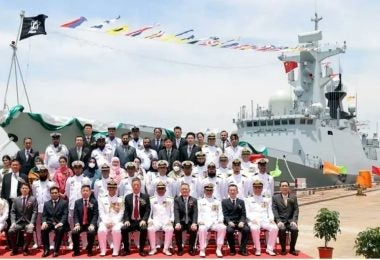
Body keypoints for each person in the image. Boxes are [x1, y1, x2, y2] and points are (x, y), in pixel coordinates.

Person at [245, 179, 278, 256]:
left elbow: (269, 210)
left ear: (262, 188)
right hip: (254, 220)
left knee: (275, 228)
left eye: (259, 188)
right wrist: (252, 219)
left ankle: (269, 249)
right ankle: (258, 249)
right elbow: (247, 212)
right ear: (253, 188)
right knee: (254, 228)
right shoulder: (248, 199)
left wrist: (271, 219)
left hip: (265, 220)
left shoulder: (267, 199)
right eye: (255, 188)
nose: (257, 189)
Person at [121, 177, 151, 256]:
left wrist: (144, 220)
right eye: (134, 185)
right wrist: (126, 220)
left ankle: (141, 250)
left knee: (144, 229)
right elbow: (126, 211)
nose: (136, 187)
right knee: (123, 229)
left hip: (141, 221)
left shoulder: (145, 197)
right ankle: (126, 250)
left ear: (140, 186)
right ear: (132, 186)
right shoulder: (128, 197)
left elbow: (148, 210)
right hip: (131, 221)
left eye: (138, 185)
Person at [65, 161, 91, 250]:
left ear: (82, 168)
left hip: (83, 206)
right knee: (72, 225)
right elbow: (67, 193)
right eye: (75, 168)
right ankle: (72, 242)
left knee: (83, 224)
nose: (77, 169)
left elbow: (88, 192)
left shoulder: (86, 179)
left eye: (79, 168)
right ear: (73, 169)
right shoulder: (70, 179)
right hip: (72, 206)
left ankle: (84, 243)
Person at [8, 183, 37, 256]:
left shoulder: (33, 199)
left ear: (29, 189)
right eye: (23, 188)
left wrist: (32, 223)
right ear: (20, 190)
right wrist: (13, 222)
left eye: (26, 188)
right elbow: (12, 212)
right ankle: (14, 249)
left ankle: (25, 248)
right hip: (18, 222)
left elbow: (34, 212)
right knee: (10, 231)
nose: (24, 190)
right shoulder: (16, 199)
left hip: (28, 222)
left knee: (30, 231)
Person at [197, 183, 225, 258]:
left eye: (210, 190)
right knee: (201, 228)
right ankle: (202, 249)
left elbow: (220, 213)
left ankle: (219, 248)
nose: (209, 192)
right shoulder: (200, 201)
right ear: (204, 191)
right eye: (207, 190)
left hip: (214, 222)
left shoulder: (217, 201)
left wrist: (220, 220)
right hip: (204, 222)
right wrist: (199, 221)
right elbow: (198, 213)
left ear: (213, 191)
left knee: (223, 227)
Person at [97, 179, 124, 257]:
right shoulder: (102, 199)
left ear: (116, 189)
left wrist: (114, 222)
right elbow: (101, 212)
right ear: (107, 188)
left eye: (113, 187)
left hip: (117, 222)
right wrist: (106, 222)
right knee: (101, 230)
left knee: (116, 230)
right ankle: (103, 250)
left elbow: (121, 213)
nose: (111, 189)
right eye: (110, 187)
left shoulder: (120, 199)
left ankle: (116, 250)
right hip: (106, 221)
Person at [272, 180, 299, 256]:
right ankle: (283, 248)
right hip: (281, 220)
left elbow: (296, 210)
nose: (284, 187)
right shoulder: (275, 198)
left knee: (295, 230)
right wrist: (278, 220)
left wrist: (294, 220)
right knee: (282, 229)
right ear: (280, 188)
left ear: (288, 187)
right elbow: (274, 210)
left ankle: (292, 249)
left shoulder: (293, 197)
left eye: (286, 186)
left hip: (291, 221)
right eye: (282, 186)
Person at [221, 183, 249, 256]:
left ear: (237, 192)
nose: (232, 192)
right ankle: (232, 249)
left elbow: (243, 214)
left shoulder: (241, 202)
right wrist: (229, 222)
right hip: (230, 222)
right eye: (231, 190)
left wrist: (242, 221)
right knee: (229, 231)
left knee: (246, 230)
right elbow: (225, 214)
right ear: (228, 192)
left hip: (239, 222)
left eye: (234, 190)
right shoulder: (224, 202)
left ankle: (242, 249)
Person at [147, 181, 174, 256]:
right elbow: (149, 212)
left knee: (170, 229)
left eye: (162, 188)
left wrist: (171, 220)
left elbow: (173, 212)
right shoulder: (152, 199)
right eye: (159, 189)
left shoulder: (170, 199)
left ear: (165, 190)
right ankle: (153, 248)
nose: (161, 190)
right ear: (156, 189)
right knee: (150, 228)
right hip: (156, 220)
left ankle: (166, 248)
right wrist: (150, 220)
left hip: (166, 220)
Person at [41, 186, 69, 258]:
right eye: (52, 193)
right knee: (43, 229)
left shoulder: (64, 203)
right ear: (50, 194)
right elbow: (44, 215)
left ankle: (56, 250)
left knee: (59, 230)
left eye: (55, 193)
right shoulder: (47, 203)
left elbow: (65, 215)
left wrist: (61, 223)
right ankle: (46, 250)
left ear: (58, 193)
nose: (54, 194)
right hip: (50, 223)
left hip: (60, 223)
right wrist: (44, 222)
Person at [72, 184, 98, 256]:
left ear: (90, 192)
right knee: (74, 232)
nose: (85, 192)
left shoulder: (94, 202)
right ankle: (76, 251)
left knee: (91, 232)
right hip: (80, 224)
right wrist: (77, 224)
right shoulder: (77, 202)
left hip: (90, 224)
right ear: (81, 192)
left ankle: (89, 250)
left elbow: (95, 215)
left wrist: (92, 224)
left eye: (87, 191)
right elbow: (75, 215)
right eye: (83, 191)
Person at [32, 166, 54, 249]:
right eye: (41, 172)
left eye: (44, 171)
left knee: (50, 225)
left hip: (48, 208)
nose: (42, 173)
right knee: (37, 226)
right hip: (37, 208)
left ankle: (51, 243)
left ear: (46, 172)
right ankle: (37, 242)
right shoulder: (35, 183)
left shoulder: (51, 183)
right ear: (38, 173)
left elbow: (53, 196)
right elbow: (34, 195)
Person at [173, 183, 198, 256]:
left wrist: (194, 223)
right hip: (181, 221)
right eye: (183, 189)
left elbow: (195, 212)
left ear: (189, 190)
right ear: (180, 190)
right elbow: (176, 211)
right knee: (177, 229)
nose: (184, 190)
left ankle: (191, 249)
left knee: (194, 229)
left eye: (186, 189)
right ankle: (180, 249)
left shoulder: (194, 200)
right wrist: (177, 222)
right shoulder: (177, 200)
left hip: (190, 222)